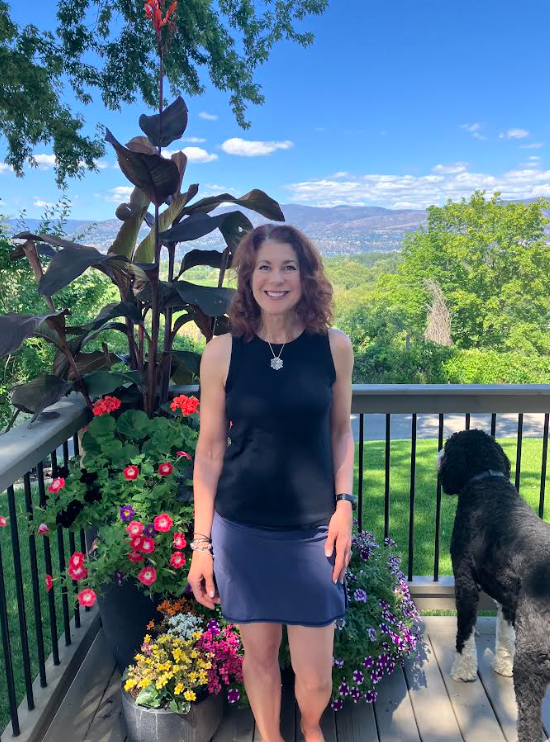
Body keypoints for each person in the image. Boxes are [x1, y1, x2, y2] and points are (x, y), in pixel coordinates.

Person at [187, 223, 355, 742]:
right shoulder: (222, 352)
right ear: (248, 277)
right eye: (265, 267)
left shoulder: (333, 348)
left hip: (314, 533)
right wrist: (201, 544)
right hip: (243, 531)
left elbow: (341, 433)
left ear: (306, 277)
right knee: (258, 658)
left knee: (315, 673)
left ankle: (310, 727)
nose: (276, 279)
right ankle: (272, 736)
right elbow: (209, 452)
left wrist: (345, 504)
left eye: (288, 267)